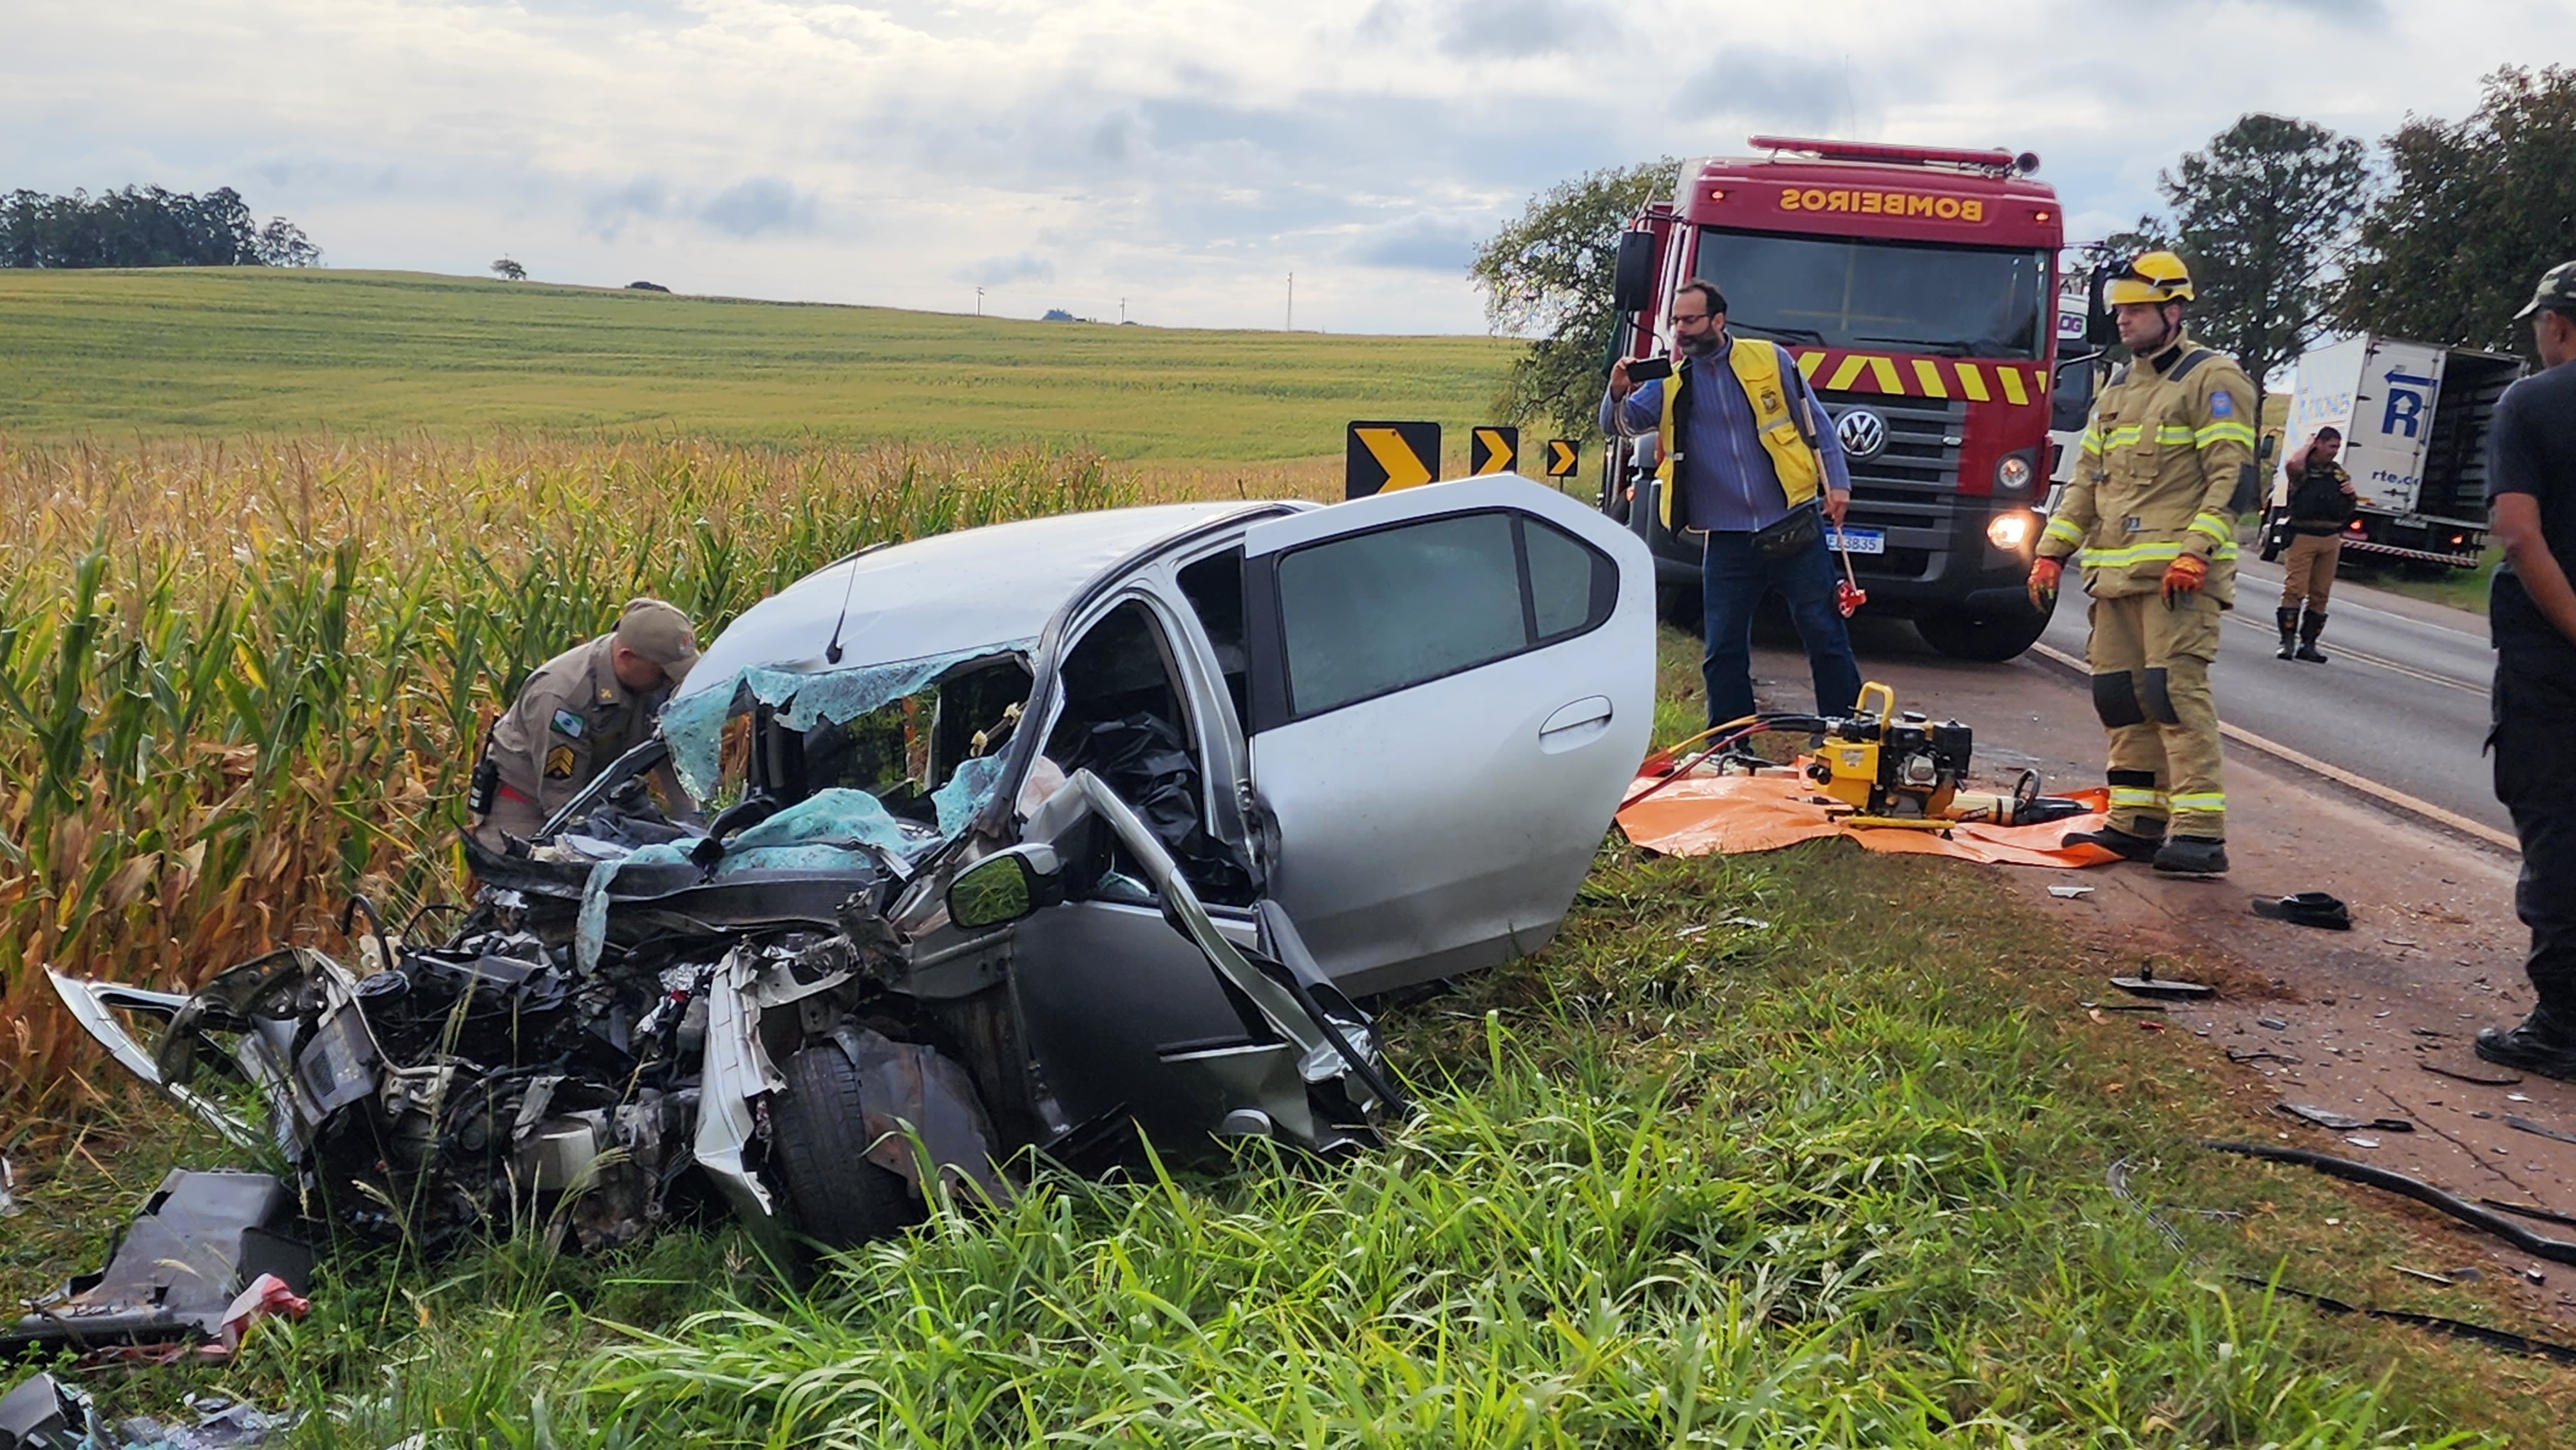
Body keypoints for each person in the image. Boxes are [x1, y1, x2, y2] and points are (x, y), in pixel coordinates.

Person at [2027, 251, 2259, 876]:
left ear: (2172, 310)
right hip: (2115, 579)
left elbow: (2230, 479)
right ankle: (2134, 821)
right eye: (2119, 309)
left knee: (2172, 696)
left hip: (2176, 582)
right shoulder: (2121, 385)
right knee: (2118, 698)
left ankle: (2199, 831)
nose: (2122, 320)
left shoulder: (2212, 378)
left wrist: (2195, 551)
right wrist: (2051, 552)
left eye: (2134, 308)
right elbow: (2086, 480)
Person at [1602, 279, 1862, 728]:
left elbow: (1815, 423)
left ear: (1718, 321)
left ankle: (1849, 734)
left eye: (1690, 320)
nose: (1680, 330)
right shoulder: (1670, 379)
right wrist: (1618, 391)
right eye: (1676, 321)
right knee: (1722, 647)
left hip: (1792, 524)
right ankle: (1730, 743)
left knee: (1824, 634)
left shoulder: (1770, 359)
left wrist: (1837, 485)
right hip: (1728, 539)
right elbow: (1619, 427)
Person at [2474, 259, 2576, 1078]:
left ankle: (2563, 1025)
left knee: (2557, 823)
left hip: (2553, 659)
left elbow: (2518, 532)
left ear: (2559, 325)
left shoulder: (2534, 401)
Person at [471, 598, 703, 851]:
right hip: (526, 806)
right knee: (534, 881)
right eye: (664, 673)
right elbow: (561, 798)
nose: (671, 682)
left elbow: (669, 751)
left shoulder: (653, 676)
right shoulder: (563, 697)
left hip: (595, 796)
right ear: (626, 658)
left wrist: (692, 829)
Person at [2273, 426, 2354, 661]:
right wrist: (2308, 445)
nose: (2335, 452)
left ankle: (2309, 644)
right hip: (2303, 535)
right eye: (2331, 446)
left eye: (2338, 447)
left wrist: (2351, 494)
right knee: (2295, 589)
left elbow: (2349, 502)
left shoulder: (2337, 472)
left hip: (2330, 537)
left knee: (2321, 594)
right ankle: (2287, 642)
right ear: (2319, 444)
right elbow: (2292, 466)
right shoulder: (2304, 469)